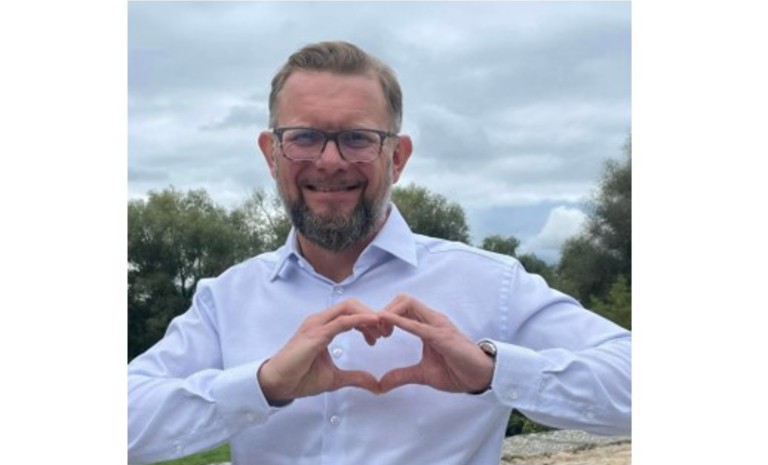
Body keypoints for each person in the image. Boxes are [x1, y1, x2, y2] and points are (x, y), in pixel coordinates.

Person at [128, 41, 631, 465]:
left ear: (398, 157)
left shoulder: (492, 283)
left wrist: (493, 373)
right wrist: (262, 386)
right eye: (304, 137)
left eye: (357, 139)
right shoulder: (225, 298)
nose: (329, 161)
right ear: (271, 154)